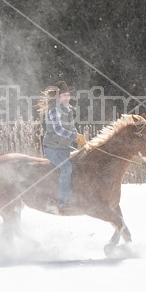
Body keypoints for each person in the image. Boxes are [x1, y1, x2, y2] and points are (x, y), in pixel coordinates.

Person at [38, 81, 85, 209]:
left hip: (64, 148)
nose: (67, 97)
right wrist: (74, 136)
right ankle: (63, 202)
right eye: (64, 95)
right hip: (52, 148)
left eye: (68, 95)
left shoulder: (68, 110)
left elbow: (72, 127)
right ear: (57, 97)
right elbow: (58, 129)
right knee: (66, 168)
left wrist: (79, 138)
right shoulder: (54, 111)